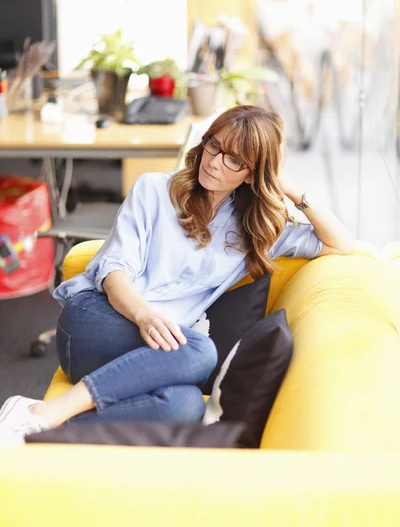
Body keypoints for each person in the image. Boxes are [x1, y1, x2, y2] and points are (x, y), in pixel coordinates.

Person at [0, 105, 355, 444]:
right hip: (97, 322)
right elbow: (114, 270)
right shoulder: (154, 190)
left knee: (184, 406)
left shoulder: (256, 230)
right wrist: (145, 315)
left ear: (252, 174)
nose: (214, 163)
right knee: (202, 351)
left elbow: (341, 245)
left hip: (158, 351)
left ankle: (35, 431)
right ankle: (50, 410)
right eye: (214, 146)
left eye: (234, 160)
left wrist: (291, 191)